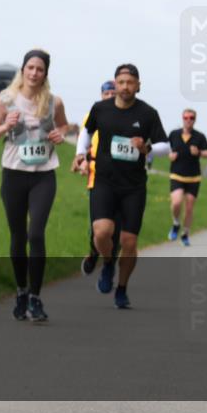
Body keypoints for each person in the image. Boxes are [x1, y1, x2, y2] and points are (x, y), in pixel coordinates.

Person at [0, 49, 70, 322]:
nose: (34, 73)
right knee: (18, 237)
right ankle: (21, 291)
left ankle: (35, 297)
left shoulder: (54, 102)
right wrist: (5, 127)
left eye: (39, 69)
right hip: (14, 174)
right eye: (30, 67)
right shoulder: (7, 101)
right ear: (23, 70)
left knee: (36, 234)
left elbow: (66, 127)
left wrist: (59, 134)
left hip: (44, 175)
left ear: (45, 74)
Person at [73, 64, 169, 309]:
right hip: (104, 181)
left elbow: (165, 146)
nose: (125, 86)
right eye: (121, 82)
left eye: (130, 82)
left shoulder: (148, 113)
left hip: (133, 187)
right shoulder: (100, 108)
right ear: (115, 84)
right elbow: (86, 131)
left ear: (138, 85)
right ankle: (107, 264)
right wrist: (80, 154)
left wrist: (146, 148)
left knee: (129, 242)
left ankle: (122, 289)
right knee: (102, 232)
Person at [74, 80, 122, 275]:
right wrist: (82, 160)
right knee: (99, 227)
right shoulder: (93, 115)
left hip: (124, 179)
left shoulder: (128, 116)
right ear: (101, 95)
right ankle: (94, 252)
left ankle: (109, 265)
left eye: (113, 93)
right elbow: (83, 141)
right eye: (106, 94)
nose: (110, 97)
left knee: (116, 229)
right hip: (98, 176)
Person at [166, 109, 207, 246]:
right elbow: (166, 148)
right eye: (186, 117)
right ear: (182, 118)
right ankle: (175, 223)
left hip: (193, 177)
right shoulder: (174, 134)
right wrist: (170, 155)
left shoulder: (199, 137)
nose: (188, 120)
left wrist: (198, 152)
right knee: (176, 202)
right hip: (177, 174)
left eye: (191, 117)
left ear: (195, 119)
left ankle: (185, 233)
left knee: (189, 207)